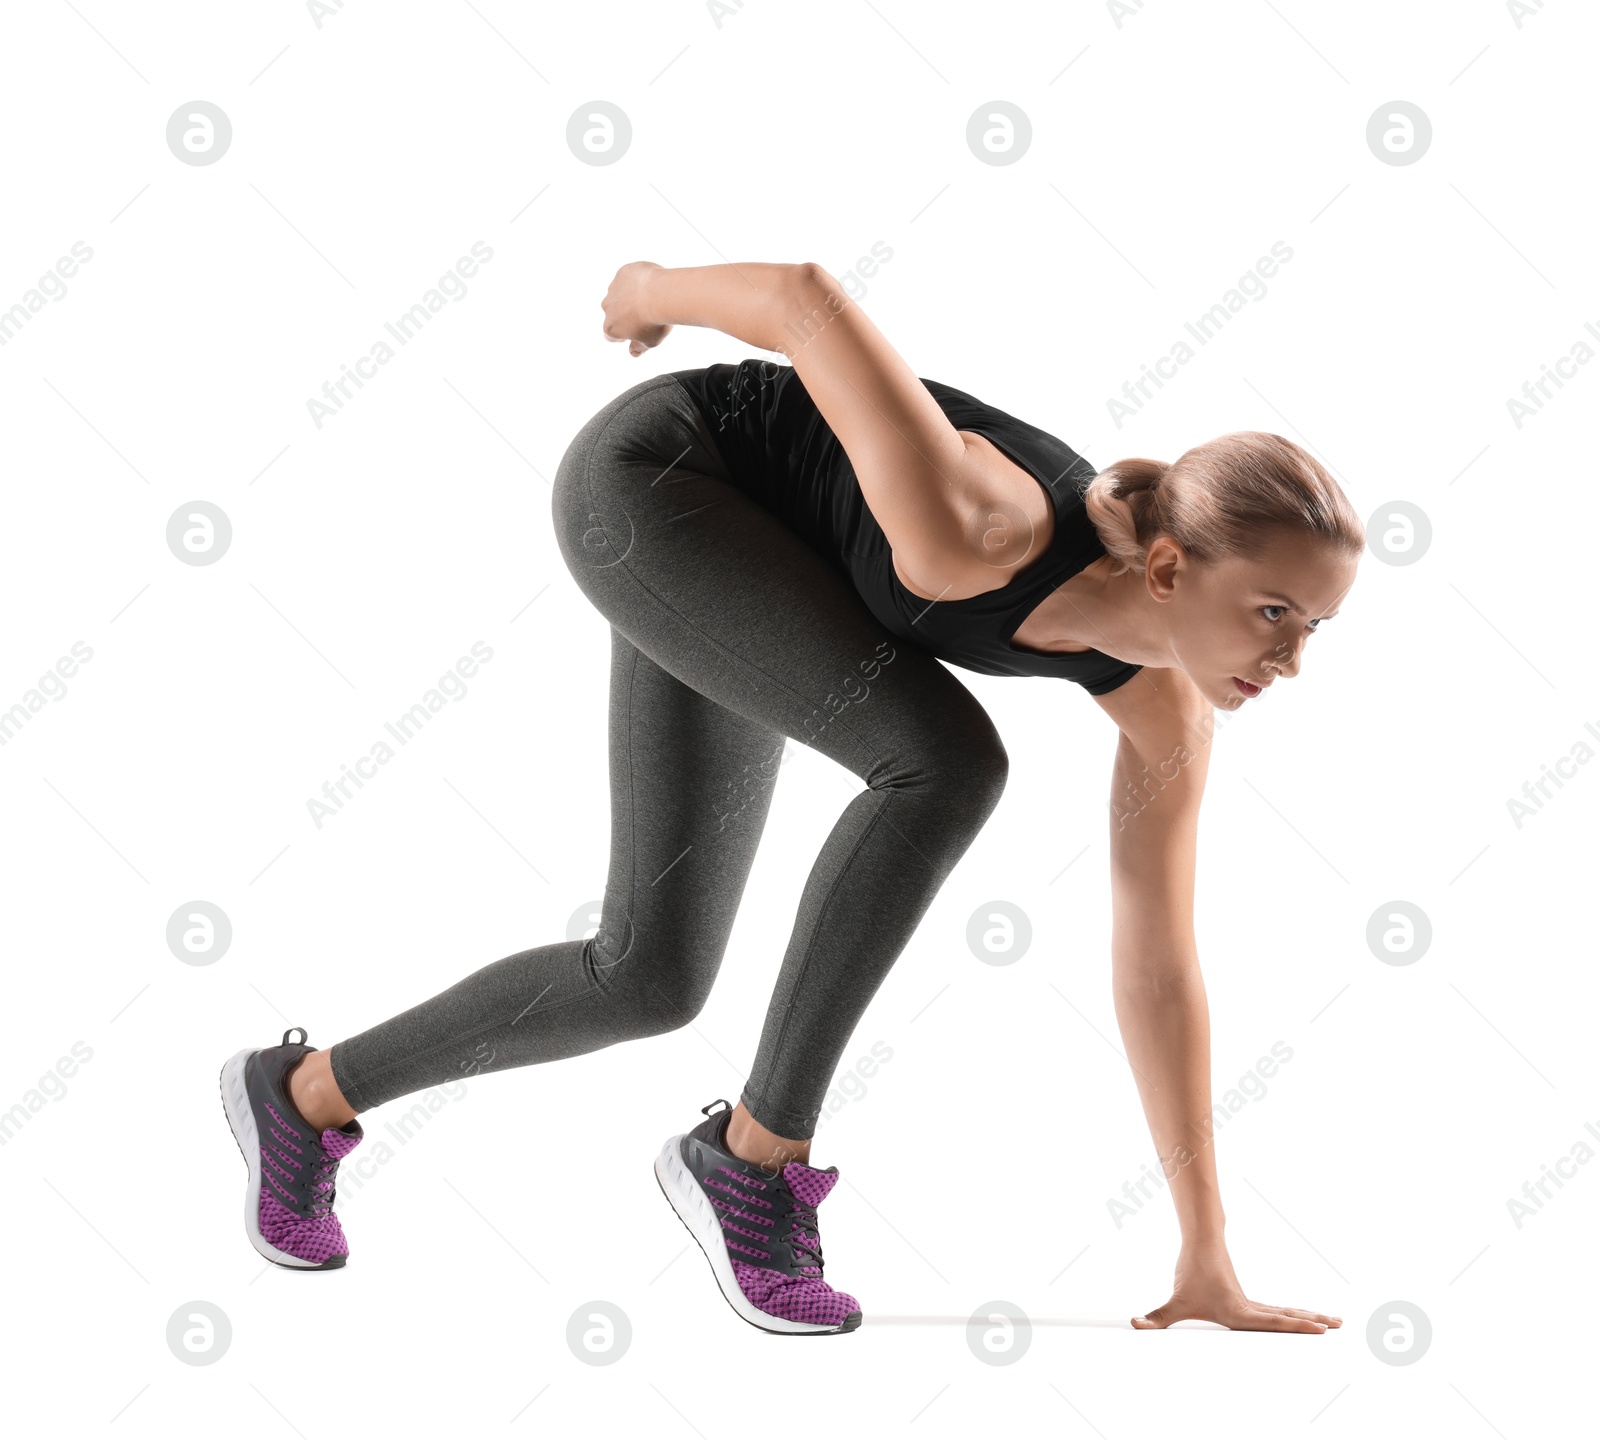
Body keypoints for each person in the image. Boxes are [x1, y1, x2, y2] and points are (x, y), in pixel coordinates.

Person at [219, 259, 1357, 1338]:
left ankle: (303, 1096)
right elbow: (802, 298)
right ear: (1167, 570)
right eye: (1270, 612)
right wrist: (647, 291)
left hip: (772, 566)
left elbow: (1158, 965)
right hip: (660, 481)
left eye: (1315, 625)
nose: (1293, 659)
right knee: (949, 761)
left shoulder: (1168, 711)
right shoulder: (985, 524)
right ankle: (753, 1161)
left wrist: (1204, 1252)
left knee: (647, 974)